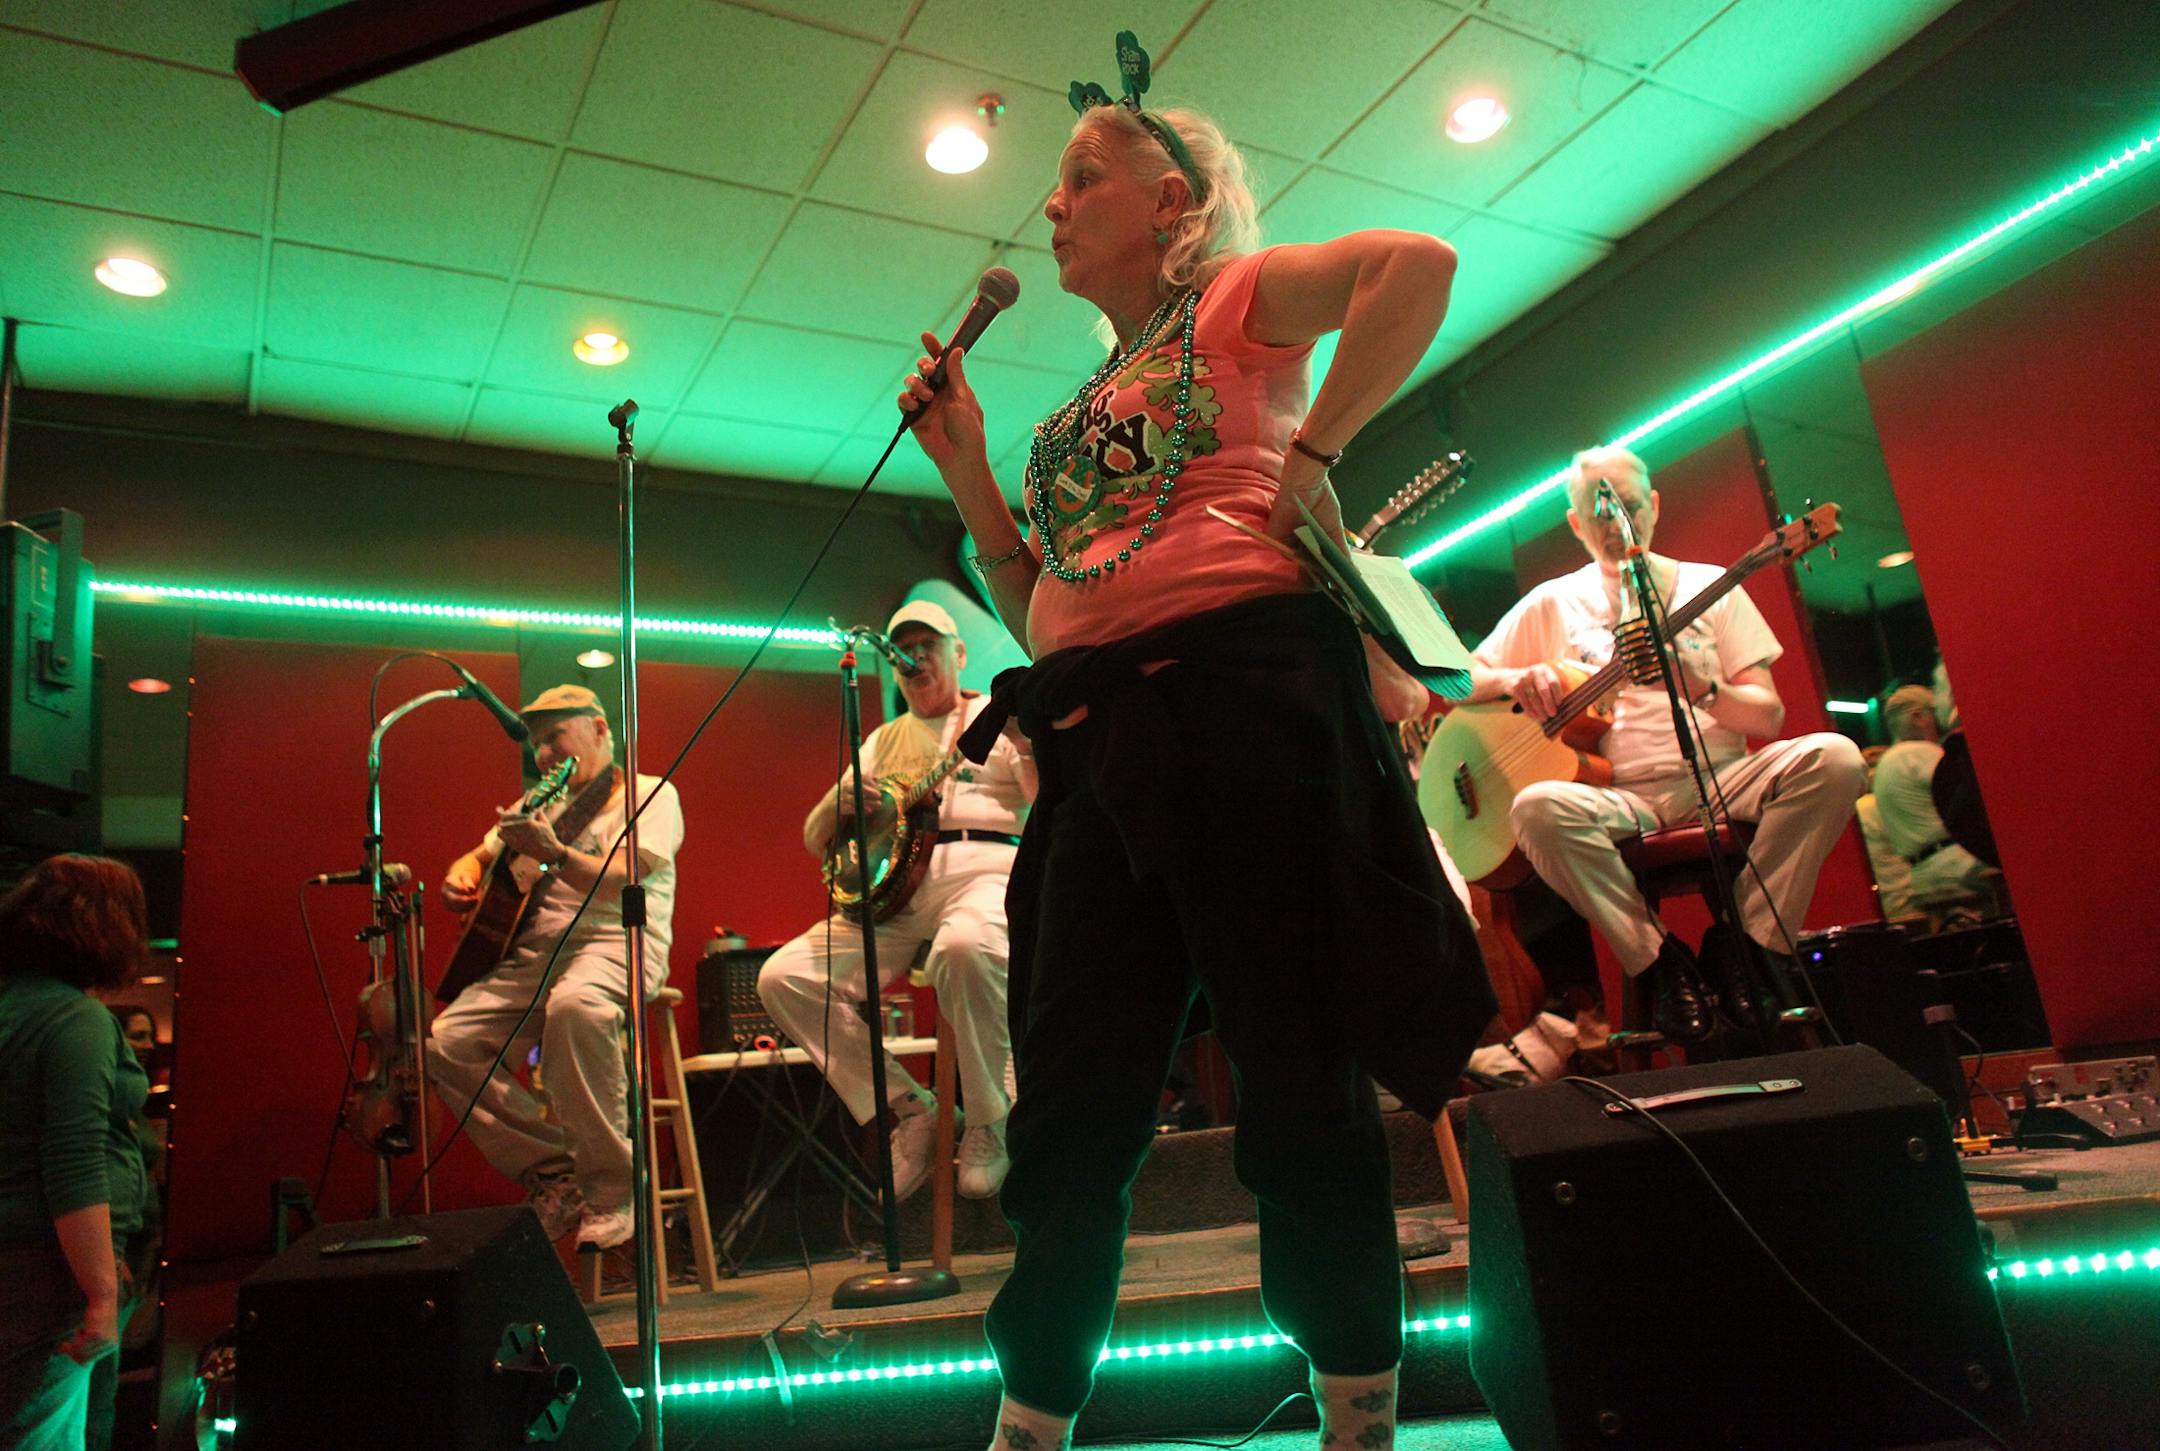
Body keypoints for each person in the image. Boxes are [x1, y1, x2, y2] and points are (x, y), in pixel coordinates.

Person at [895, 33, 1492, 1451]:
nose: (1051, 205)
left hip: (1242, 709)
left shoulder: (1234, 295)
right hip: (1098, 737)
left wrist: (1321, 449)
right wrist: (971, 463)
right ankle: (1032, 1416)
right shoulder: (1074, 408)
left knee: (1295, 1073)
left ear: (1175, 201)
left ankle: (1357, 1407)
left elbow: (1415, 264)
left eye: (1084, 176)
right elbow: (1039, 599)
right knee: (1072, 1105)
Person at [1465, 446, 1868, 1043]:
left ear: (1652, 505)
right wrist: (1516, 678)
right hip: (1622, 795)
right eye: (1598, 512)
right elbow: (1461, 677)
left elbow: (1769, 714)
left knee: (1838, 759)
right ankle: (1657, 961)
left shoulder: (1711, 586)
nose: (1615, 522)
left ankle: (1750, 942)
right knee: (1533, 809)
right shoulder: (1552, 603)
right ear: (1575, 524)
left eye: (1627, 506)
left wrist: (1700, 687)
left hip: (1721, 777)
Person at [758, 599, 1035, 1200]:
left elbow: (1043, 799)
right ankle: (911, 1108)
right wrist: (837, 808)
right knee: (783, 978)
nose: (915, 658)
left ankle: (991, 1119)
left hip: (983, 869)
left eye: (927, 645)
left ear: (958, 654)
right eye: (904, 649)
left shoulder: (995, 714)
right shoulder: (885, 741)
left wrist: (1030, 746)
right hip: (897, 894)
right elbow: (814, 838)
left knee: (963, 948)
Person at [428, 685, 684, 1252]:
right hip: (537, 955)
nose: (544, 754)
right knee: (449, 1041)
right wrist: (462, 873)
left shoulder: (650, 794)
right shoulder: (537, 802)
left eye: (555, 738)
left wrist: (556, 854)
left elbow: (626, 879)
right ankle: (557, 1171)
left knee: (576, 1006)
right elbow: (479, 853)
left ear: (598, 730)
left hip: (618, 941)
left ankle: (613, 1189)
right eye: (538, 745)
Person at [0, 855, 153, 1449]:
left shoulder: (13, 1006)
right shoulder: (75, 1019)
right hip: (50, 1269)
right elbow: (74, 1161)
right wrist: (101, 1293)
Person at [1869, 683, 1997, 919]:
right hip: (1954, 864)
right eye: (1934, 712)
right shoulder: (1920, 753)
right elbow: (1974, 793)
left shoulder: (1886, 764)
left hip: (1921, 874)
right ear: (1918, 717)